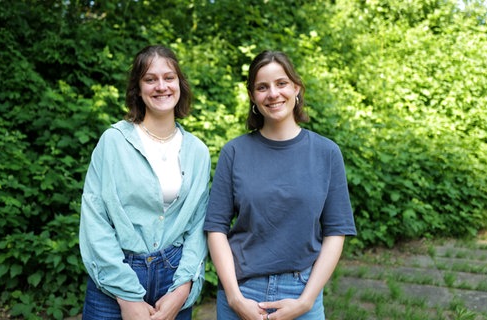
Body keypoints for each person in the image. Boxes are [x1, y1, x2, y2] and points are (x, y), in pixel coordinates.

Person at [204, 50, 357, 320]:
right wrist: (234, 297)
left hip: (300, 294)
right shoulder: (234, 152)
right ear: (253, 96)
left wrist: (306, 301)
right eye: (262, 87)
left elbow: (336, 231)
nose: (273, 93)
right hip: (242, 292)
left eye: (281, 83)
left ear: (296, 88)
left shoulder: (326, 153)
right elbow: (216, 228)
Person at [79, 45, 211, 320]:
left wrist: (183, 288)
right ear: (138, 89)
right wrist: (126, 296)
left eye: (169, 77)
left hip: (173, 280)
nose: (161, 86)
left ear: (180, 84)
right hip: (116, 274)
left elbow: (199, 225)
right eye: (150, 79)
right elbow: (96, 220)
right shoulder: (113, 142)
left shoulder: (197, 151)